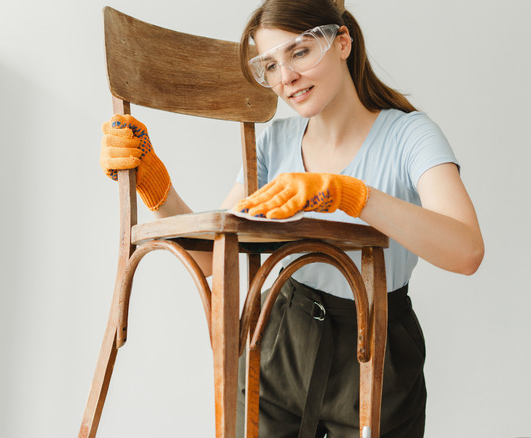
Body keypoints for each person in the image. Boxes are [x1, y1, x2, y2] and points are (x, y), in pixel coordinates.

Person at [99, 0, 484, 436]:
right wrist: (154, 182)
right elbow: (210, 259)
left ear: (342, 43)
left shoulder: (410, 135)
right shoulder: (273, 142)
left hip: (378, 346)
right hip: (281, 334)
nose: (286, 79)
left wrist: (350, 194)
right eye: (270, 65)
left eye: (299, 52)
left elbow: (466, 251)